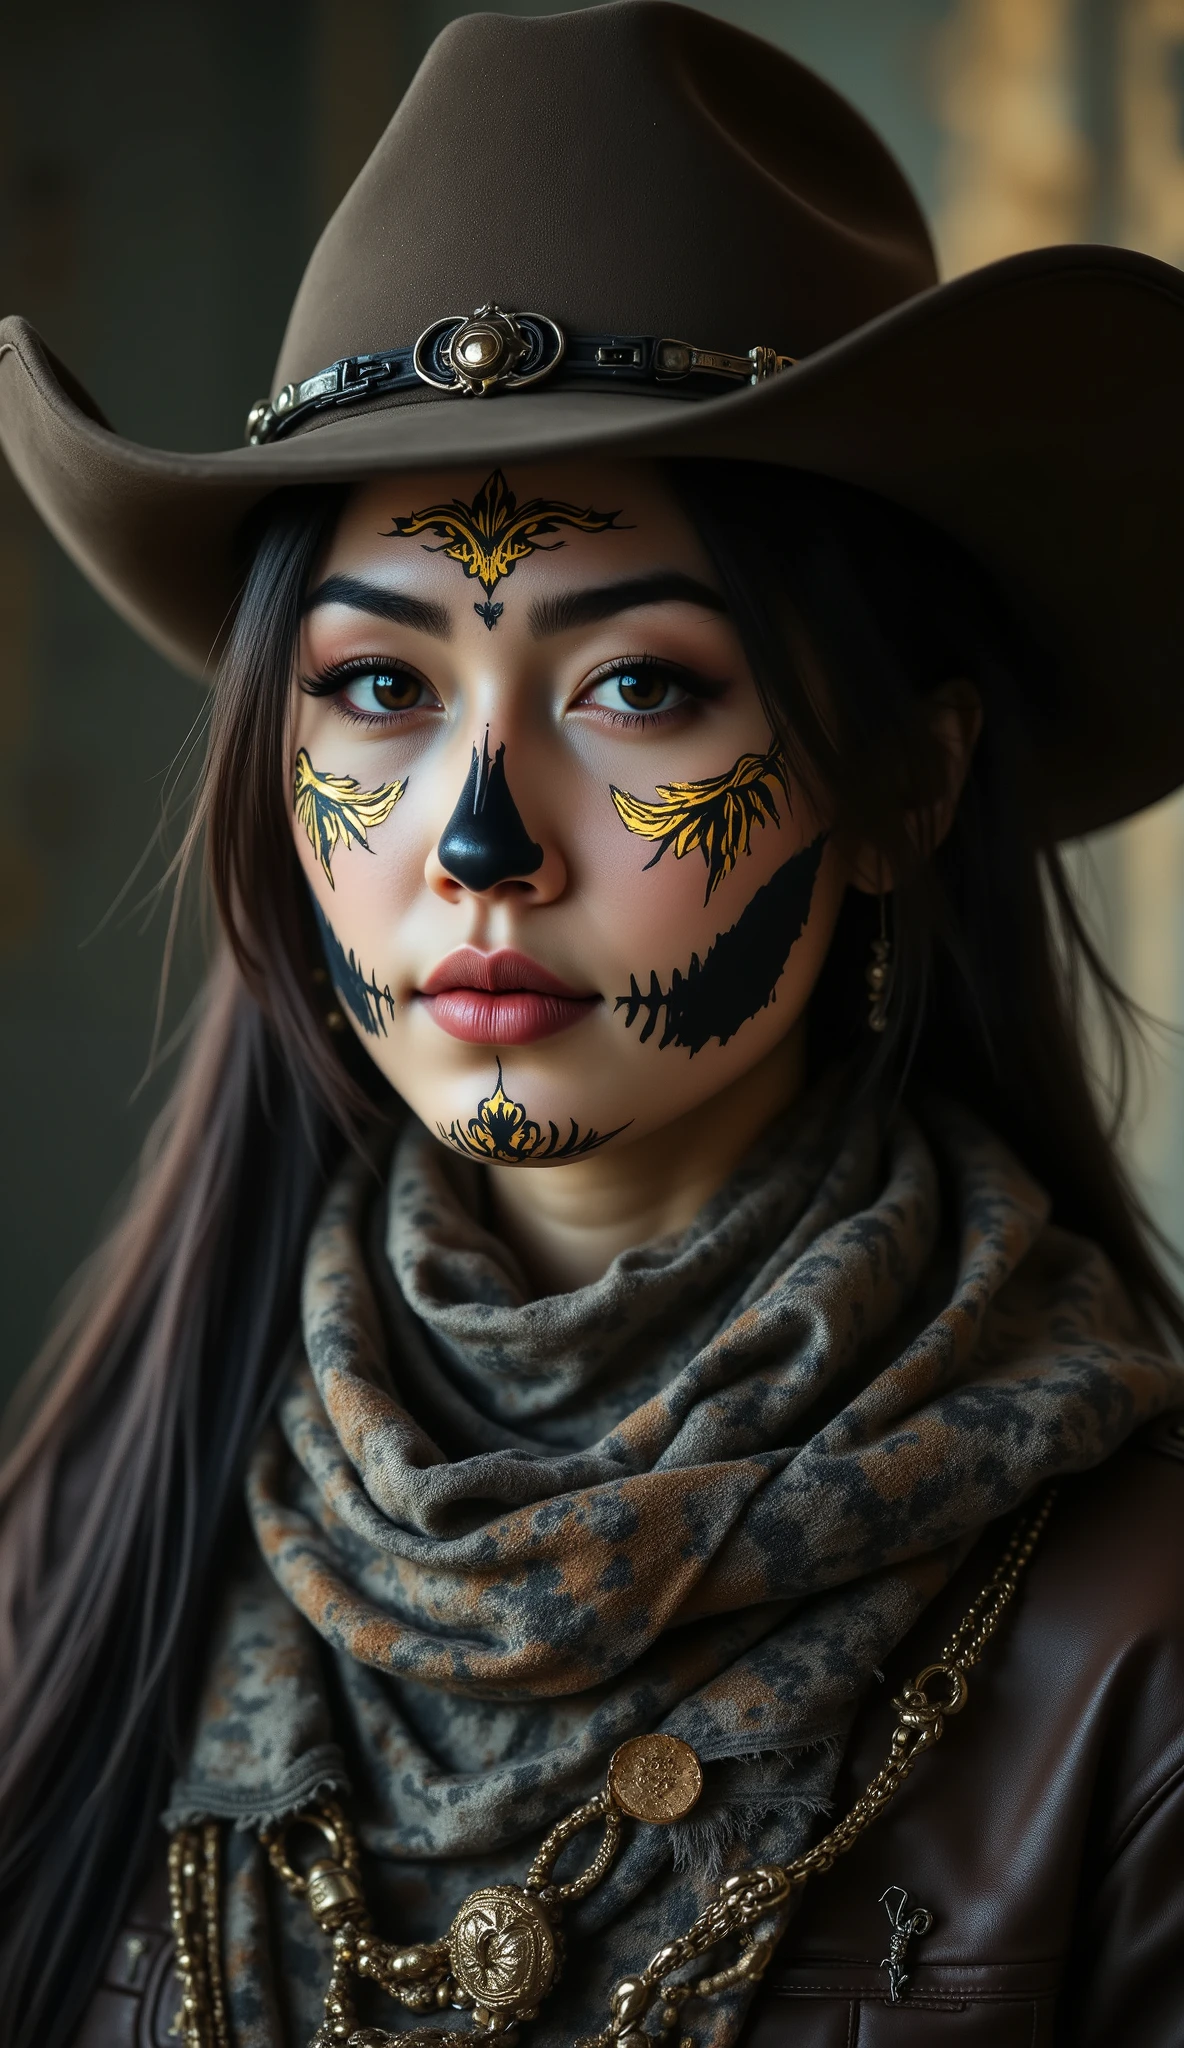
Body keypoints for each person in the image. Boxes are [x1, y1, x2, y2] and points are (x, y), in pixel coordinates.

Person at [1, 5, 1182, 2045]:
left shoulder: (1138, 1643)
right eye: (378, 690)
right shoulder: (83, 1552)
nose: (479, 841)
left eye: (637, 686)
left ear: (903, 785)